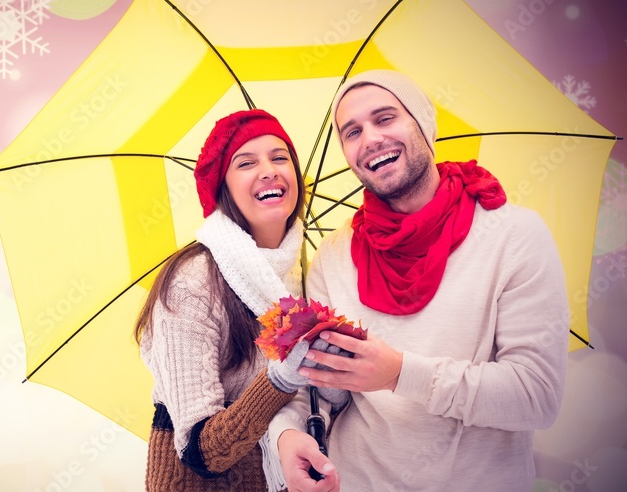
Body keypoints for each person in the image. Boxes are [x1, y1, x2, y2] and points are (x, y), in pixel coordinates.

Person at [269, 69, 569, 491]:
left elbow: (536, 396)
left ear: (424, 125)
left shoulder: (514, 235)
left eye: (386, 118)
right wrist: (287, 434)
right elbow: (314, 385)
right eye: (351, 131)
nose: (370, 138)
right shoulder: (332, 258)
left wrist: (399, 374)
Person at [134, 109, 338, 491]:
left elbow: (315, 396)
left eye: (280, 158)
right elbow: (200, 451)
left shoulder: (307, 275)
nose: (269, 170)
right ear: (223, 189)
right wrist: (280, 378)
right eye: (246, 163)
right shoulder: (193, 281)